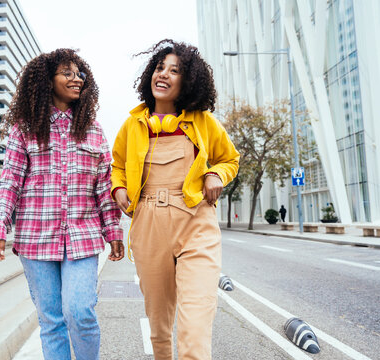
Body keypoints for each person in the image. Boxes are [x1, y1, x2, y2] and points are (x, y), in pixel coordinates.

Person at [0, 48, 124, 360]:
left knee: (80, 312)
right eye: (68, 73)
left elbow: (104, 186)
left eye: (80, 74)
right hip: (35, 239)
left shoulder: (94, 130)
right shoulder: (25, 128)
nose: (76, 79)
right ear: (48, 81)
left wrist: (113, 231)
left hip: (83, 236)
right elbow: (10, 179)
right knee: (51, 321)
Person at [111, 39, 239, 360]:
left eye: (175, 70)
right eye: (159, 68)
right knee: (159, 323)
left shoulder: (203, 122)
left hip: (196, 222)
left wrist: (215, 175)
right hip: (149, 225)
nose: (163, 74)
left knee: (195, 322)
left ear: (188, 81)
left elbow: (229, 159)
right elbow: (117, 166)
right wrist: (119, 190)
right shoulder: (132, 125)